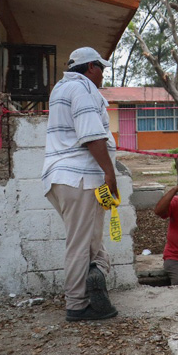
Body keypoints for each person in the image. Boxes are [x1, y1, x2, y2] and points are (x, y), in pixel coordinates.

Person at [42, 47, 119, 321]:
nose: (103, 75)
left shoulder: (60, 89)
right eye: (101, 68)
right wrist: (110, 174)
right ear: (90, 67)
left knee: (90, 242)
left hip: (64, 179)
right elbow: (91, 136)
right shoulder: (82, 89)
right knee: (80, 244)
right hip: (80, 178)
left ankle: (95, 277)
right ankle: (77, 304)